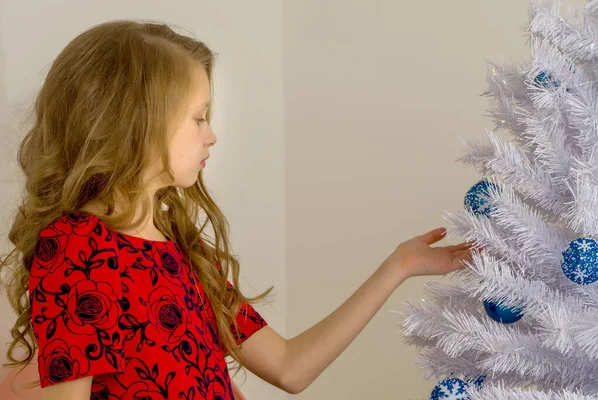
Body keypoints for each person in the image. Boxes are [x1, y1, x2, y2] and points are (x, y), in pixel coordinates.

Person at [0, 20, 476, 400]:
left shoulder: (184, 251)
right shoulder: (76, 248)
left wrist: (400, 265)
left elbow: (290, 368)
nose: (211, 135)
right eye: (199, 117)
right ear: (137, 123)